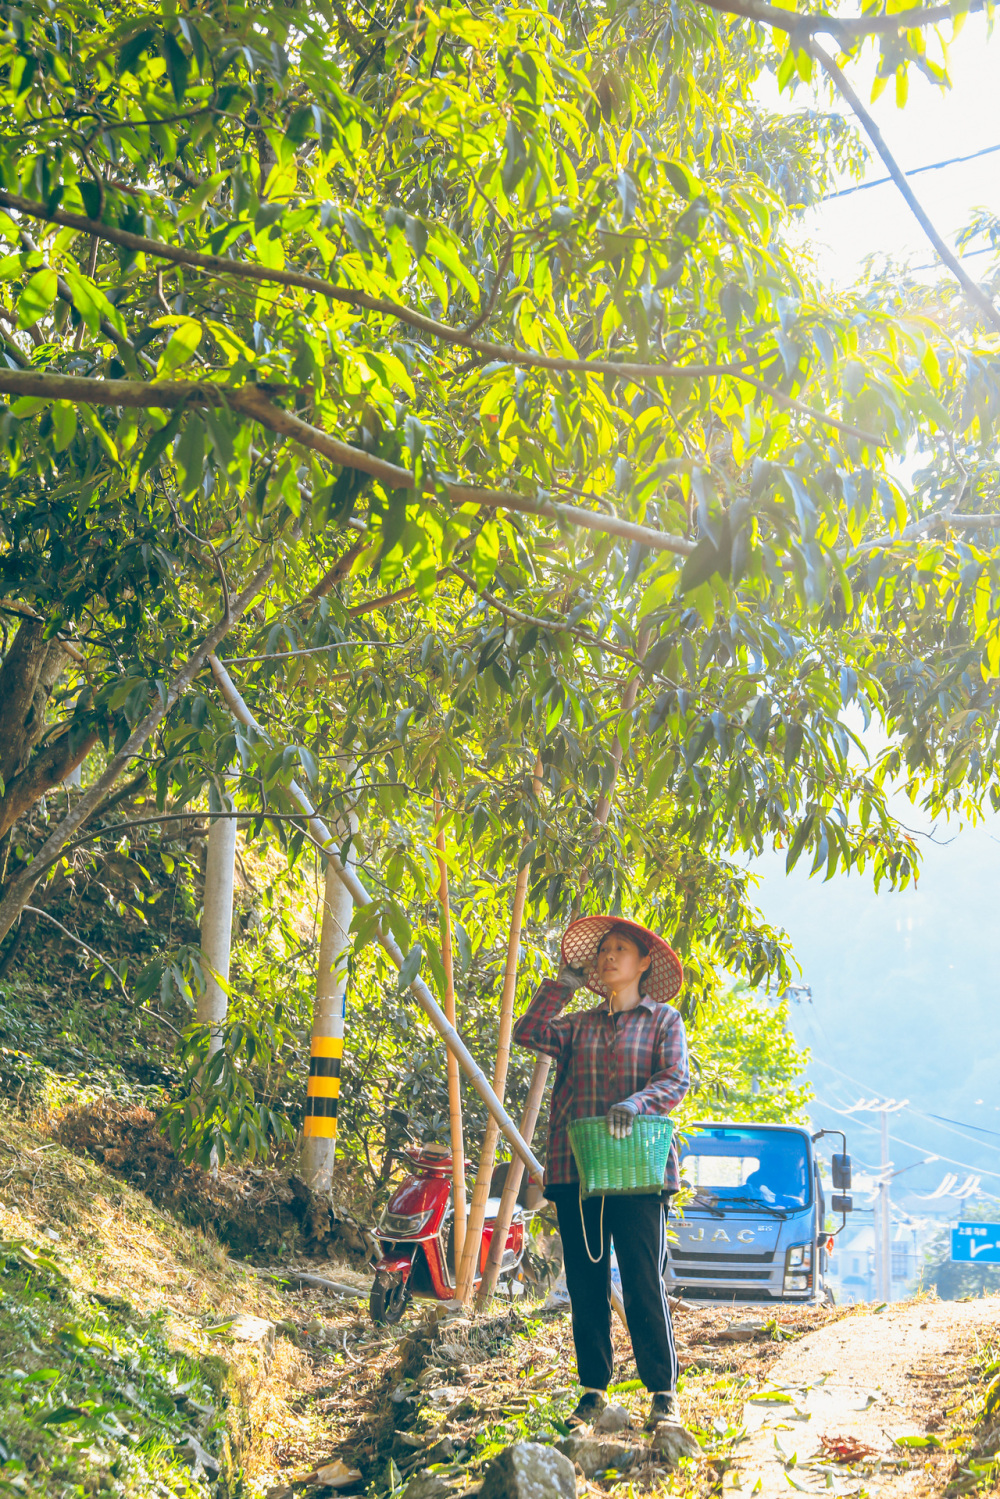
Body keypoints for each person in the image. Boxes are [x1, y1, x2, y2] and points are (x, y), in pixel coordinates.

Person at [512, 914, 689, 1430]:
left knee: (642, 1282)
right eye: (603, 951)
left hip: (641, 1175)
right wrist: (562, 985)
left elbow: (675, 1079)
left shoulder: (664, 1021)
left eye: (620, 950)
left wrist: (636, 1104)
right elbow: (528, 1031)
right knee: (586, 1285)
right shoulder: (577, 1025)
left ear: (643, 963)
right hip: (576, 1173)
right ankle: (592, 1392)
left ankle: (662, 1393)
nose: (608, 957)